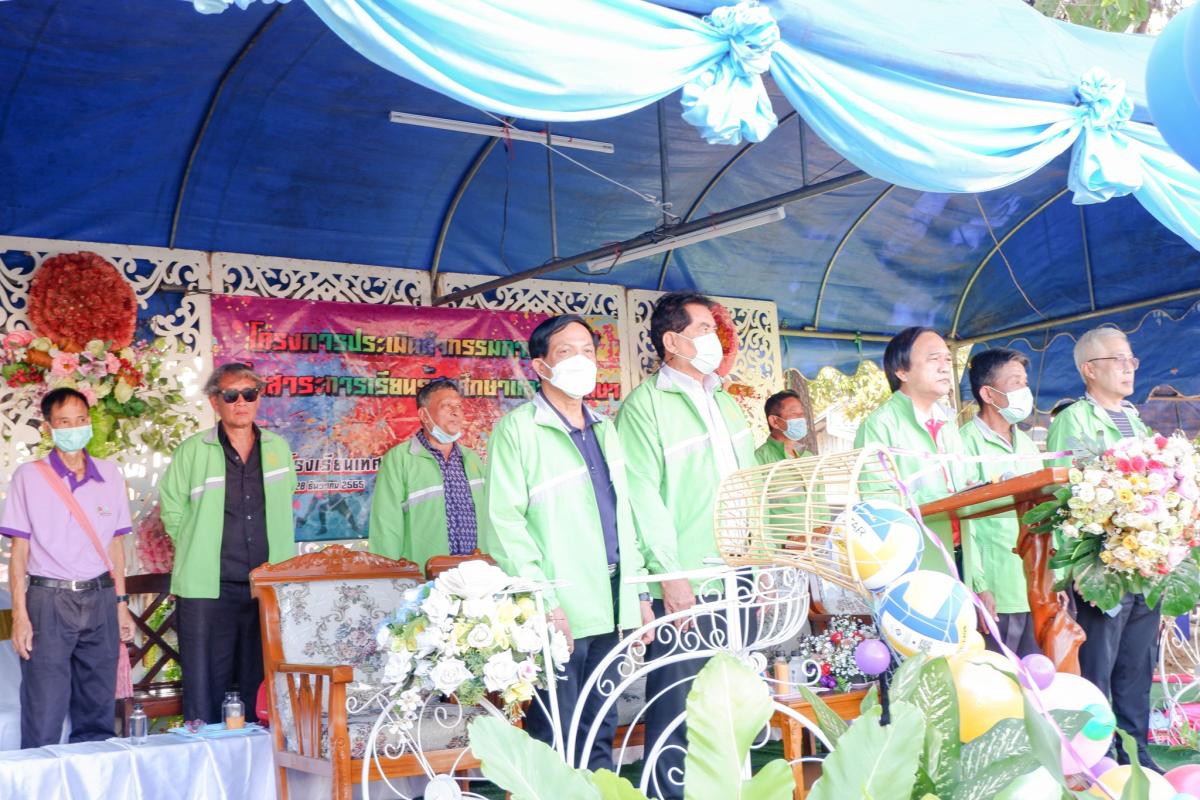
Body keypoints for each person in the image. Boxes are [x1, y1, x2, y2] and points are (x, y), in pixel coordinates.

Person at [481, 314, 652, 770]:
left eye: (588, 351)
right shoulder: (518, 429)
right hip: (559, 606)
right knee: (556, 727)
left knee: (600, 723)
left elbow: (626, 516)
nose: (581, 360)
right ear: (541, 366)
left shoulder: (606, 429)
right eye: (566, 351)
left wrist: (640, 595)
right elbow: (504, 523)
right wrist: (544, 600)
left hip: (612, 598)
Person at [615, 291, 757, 799]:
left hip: (740, 573)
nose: (715, 339)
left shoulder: (725, 402)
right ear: (672, 341)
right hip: (688, 581)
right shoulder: (645, 406)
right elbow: (642, 499)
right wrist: (670, 575)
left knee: (734, 705)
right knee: (679, 705)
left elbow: (751, 483)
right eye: (703, 330)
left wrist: (761, 557)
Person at [1046, 326, 1158, 771]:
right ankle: (1099, 761)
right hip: (1101, 564)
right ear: (1090, 369)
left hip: (1144, 563)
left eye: (1132, 360)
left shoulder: (1136, 419)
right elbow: (1061, 496)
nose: (1129, 368)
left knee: (1136, 667)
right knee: (1099, 669)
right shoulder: (1073, 419)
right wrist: (1072, 567)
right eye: (1118, 360)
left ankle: (1138, 758)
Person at [159, 362, 297, 724]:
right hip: (207, 587)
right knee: (206, 682)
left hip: (265, 586)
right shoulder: (193, 451)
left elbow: (286, 502)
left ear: (259, 398)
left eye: (249, 394)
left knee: (261, 680)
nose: (241, 402)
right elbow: (172, 511)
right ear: (214, 401)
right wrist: (196, 547)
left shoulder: (278, 449)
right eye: (231, 395)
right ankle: (204, 751)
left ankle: (257, 755)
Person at [1, 387, 136, 747]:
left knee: (97, 712)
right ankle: (40, 777)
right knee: (44, 710)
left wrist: (122, 605)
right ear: (48, 427)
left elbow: (115, 547)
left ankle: (93, 776)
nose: (74, 428)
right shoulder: (28, 477)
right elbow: (19, 552)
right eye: (64, 422)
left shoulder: (110, 475)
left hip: (101, 597)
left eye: (81, 420)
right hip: (49, 600)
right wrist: (20, 616)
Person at [854, 326, 970, 575]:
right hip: (918, 563)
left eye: (948, 359)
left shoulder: (948, 424)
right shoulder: (879, 425)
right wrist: (945, 498)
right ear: (902, 371)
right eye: (934, 359)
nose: (944, 367)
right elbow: (878, 505)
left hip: (966, 554)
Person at [959, 348, 1041, 656]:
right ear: (988, 394)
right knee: (997, 676)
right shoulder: (964, 444)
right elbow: (964, 522)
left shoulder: (1028, 445)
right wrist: (979, 585)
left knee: (1037, 677)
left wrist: (1055, 578)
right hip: (996, 588)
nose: (1024, 390)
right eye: (1015, 382)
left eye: (1025, 382)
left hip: (1035, 584)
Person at [369, 378, 485, 570]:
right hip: (424, 576)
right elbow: (386, 526)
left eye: (458, 406)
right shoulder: (400, 459)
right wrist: (389, 576)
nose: (456, 412)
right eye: (446, 406)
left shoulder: (472, 459)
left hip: (476, 574)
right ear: (424, 414)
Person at [756, 390, 813, 464]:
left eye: (802, 413)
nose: (801, 418)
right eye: (794, 413)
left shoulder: (808, 456)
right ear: (774, 421)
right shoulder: (759, 458)